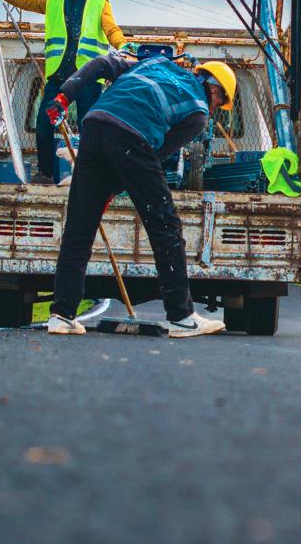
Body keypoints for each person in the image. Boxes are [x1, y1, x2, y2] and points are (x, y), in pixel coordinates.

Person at [43, 52, 238, 338]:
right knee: (166, 228)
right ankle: (182, 317)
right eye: (221, 102)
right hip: (133, 140)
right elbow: (156, 155)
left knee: (79, 228)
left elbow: (102, 64)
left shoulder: (156, 63)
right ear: (214, 89)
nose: (217, 107)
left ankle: (62, 315)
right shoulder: (198, 112)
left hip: (94, 126)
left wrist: (64, 97)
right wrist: (121, 181)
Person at [0, 0, 126, 183]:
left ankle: (88, 176)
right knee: (43, 124)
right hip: (59, 76)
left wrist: (123, 46)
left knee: (89, 129)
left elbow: (111, 29)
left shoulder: (99, 1)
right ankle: (45, 172)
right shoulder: (52, 0)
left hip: (88, 77)